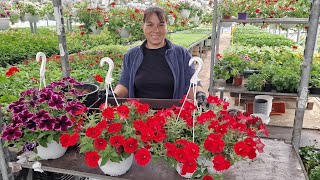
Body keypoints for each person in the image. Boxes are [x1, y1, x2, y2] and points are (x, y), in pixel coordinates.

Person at [114, 6, 207, 105]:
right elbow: (124, 85)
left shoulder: (181, 54)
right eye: (150, 25)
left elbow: (192, 84)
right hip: (139, 116)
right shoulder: (132, 55)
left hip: (172, 117)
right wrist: (113, 95)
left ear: (167, 26)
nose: (156, 30)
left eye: (161, 25)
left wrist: (199, 94)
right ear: (143, 26)